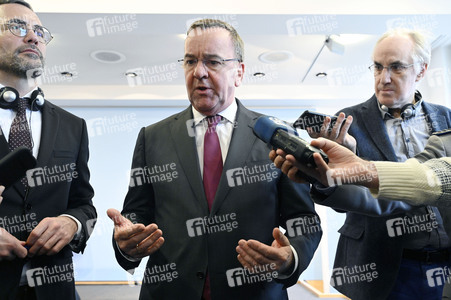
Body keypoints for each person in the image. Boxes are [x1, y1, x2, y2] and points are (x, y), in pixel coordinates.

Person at [107, 19, 321, 300]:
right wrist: (125, 243)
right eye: (190, 61)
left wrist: (290, 256)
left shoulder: (277, 136)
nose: (199, 72)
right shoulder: (152, 137)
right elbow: (137, 213)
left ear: (239, 72)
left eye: (213, 61)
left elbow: (303, 218)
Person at [299, 28, 451, 300]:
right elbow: (340, 199)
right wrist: (329, 177)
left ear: (421, 70)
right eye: (378, 67)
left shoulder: (445, 118)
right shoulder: (346, 123)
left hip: (443, 263)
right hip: (379, 264)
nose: (384, 78)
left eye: (396, 67)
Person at [0, 1, 96, 299]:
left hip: (56, 290)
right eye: (18, 27)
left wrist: (72, 223)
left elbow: (84, 204)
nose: (33, 37)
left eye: (39, 31)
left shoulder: (73, 125)